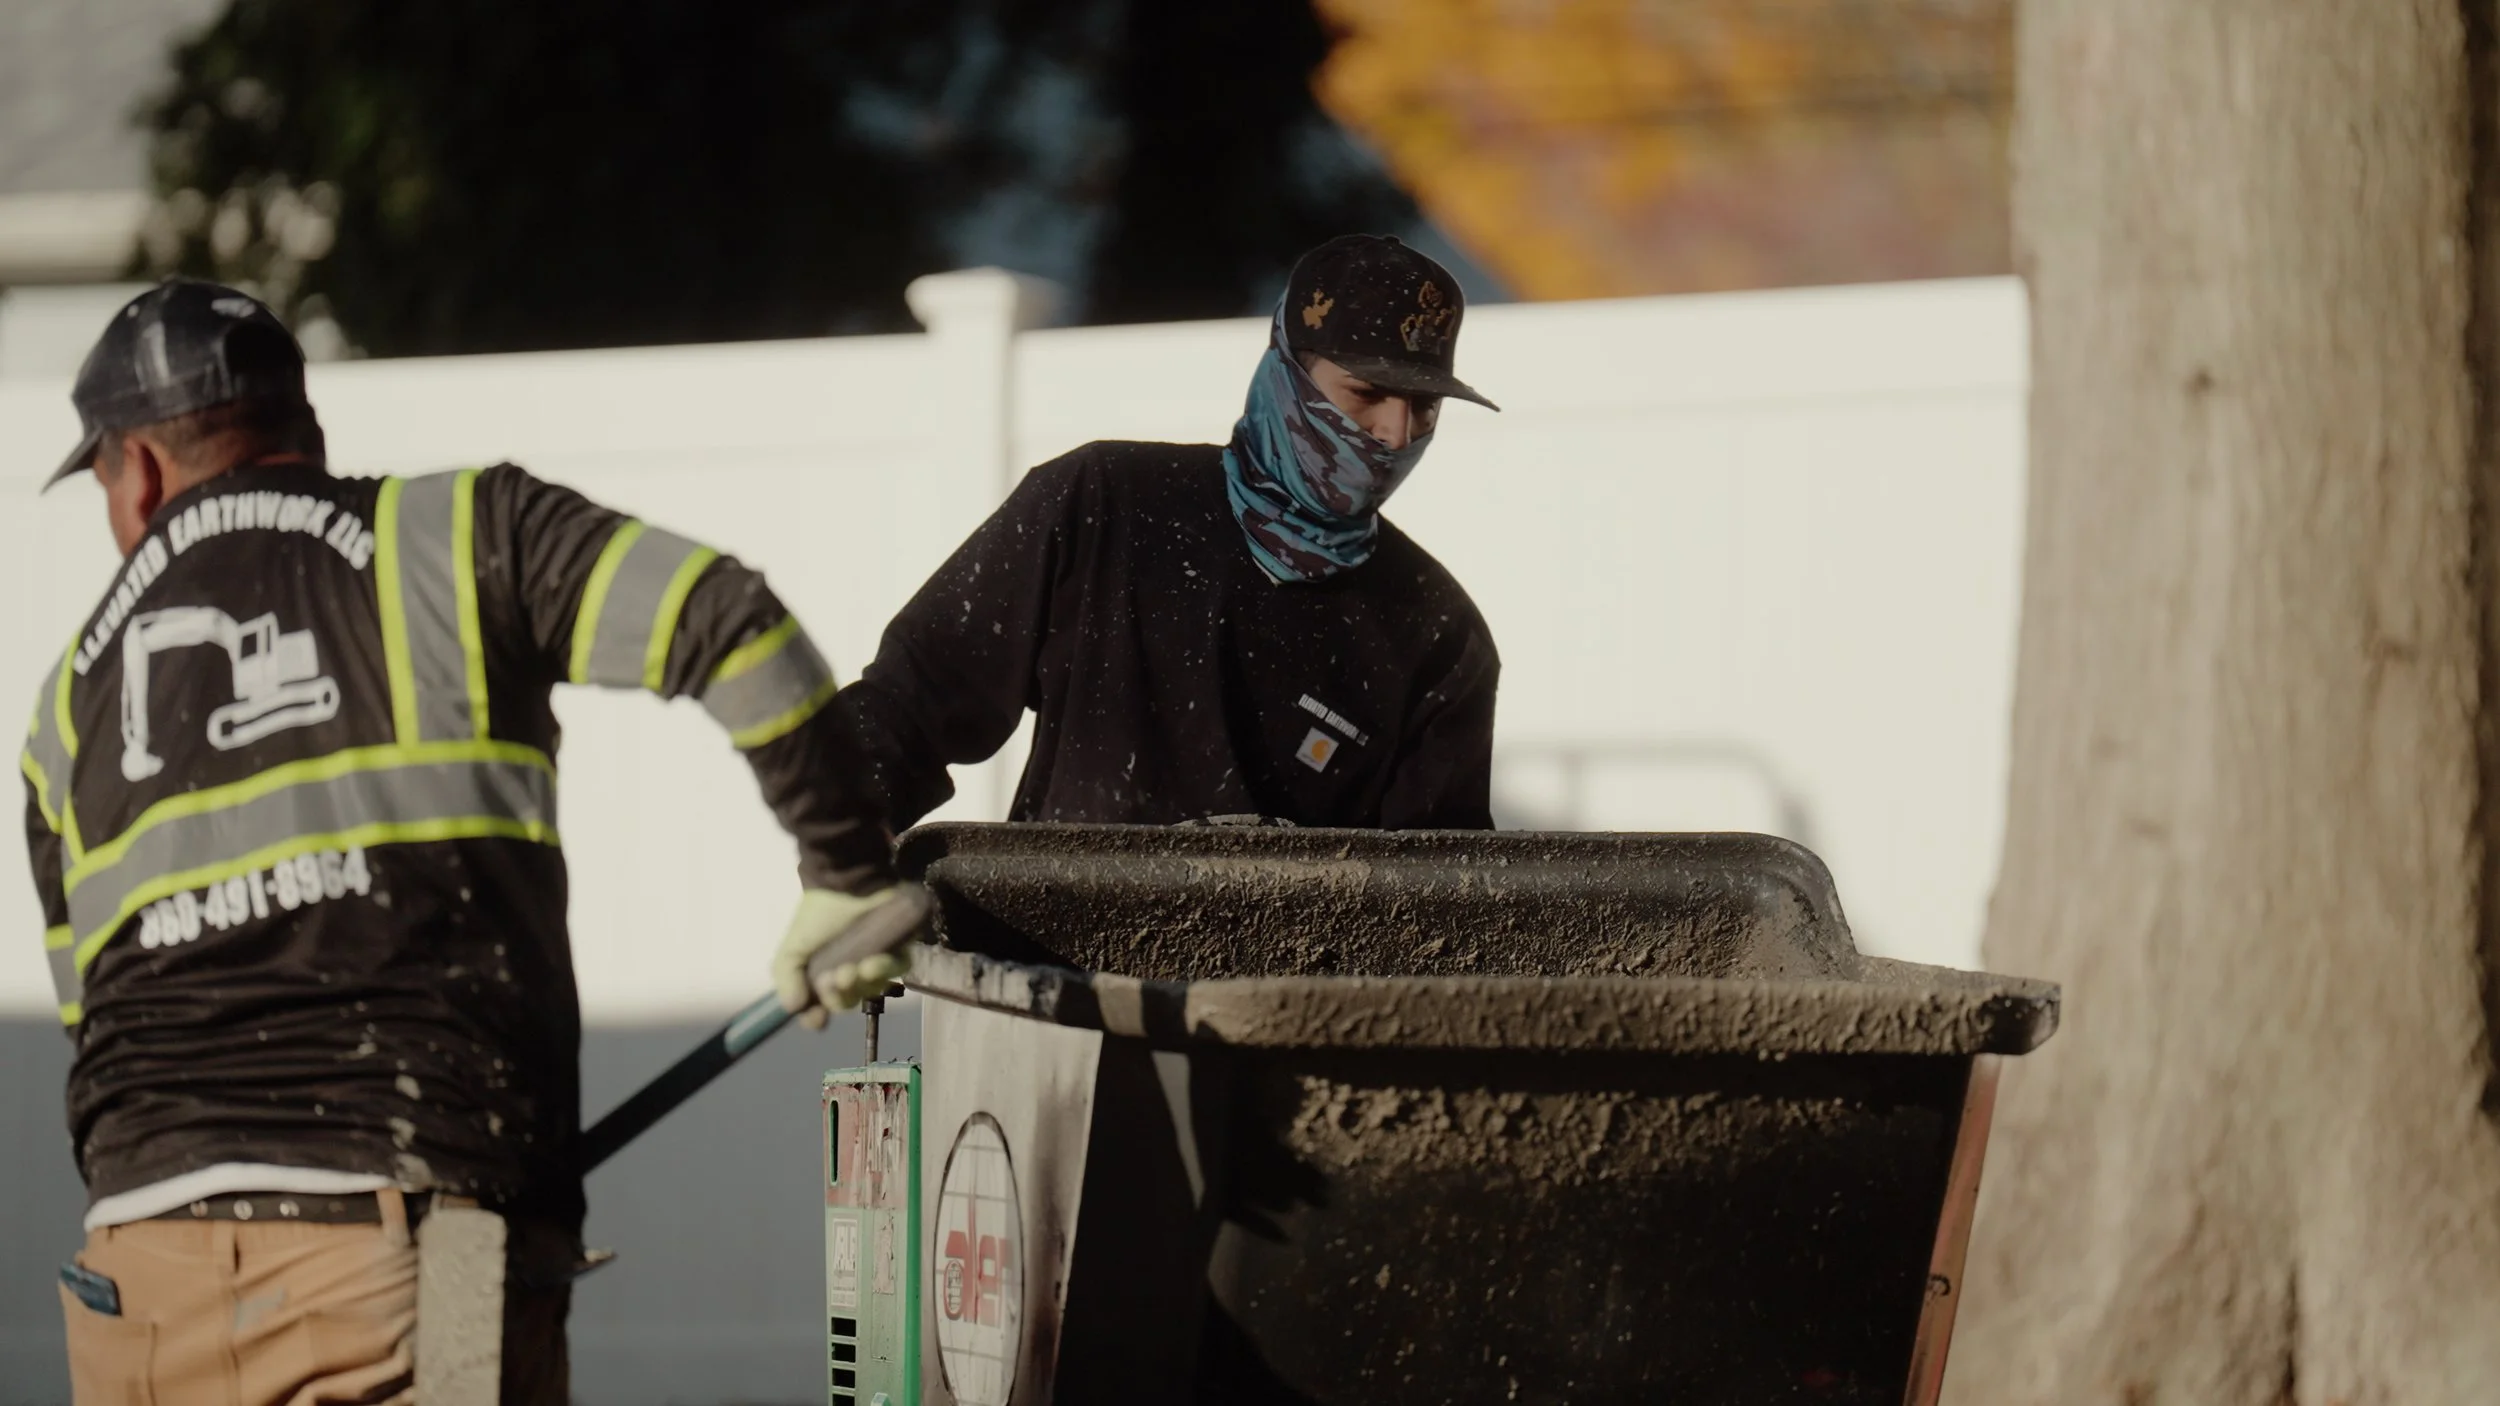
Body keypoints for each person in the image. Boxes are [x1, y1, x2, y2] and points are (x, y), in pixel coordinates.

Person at [22, 281, 920, 1405]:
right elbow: (726, 620)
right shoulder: (458, 536)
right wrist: (844, 871)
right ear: (303, 425)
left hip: (135, 1278)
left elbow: (91, 1018)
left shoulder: (62, 715)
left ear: (136, 470)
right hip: (399, 1255)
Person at [833, 233, 1502, 831]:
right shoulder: (1105, 505)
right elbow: (908, 708)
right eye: (1365, 393)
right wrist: (846, 876)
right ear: (1287, 374)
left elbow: (1439, 890)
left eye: (1425, 406)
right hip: (1050, 959)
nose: (1396, 432)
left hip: (1295, 974)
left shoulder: (1437, 632)